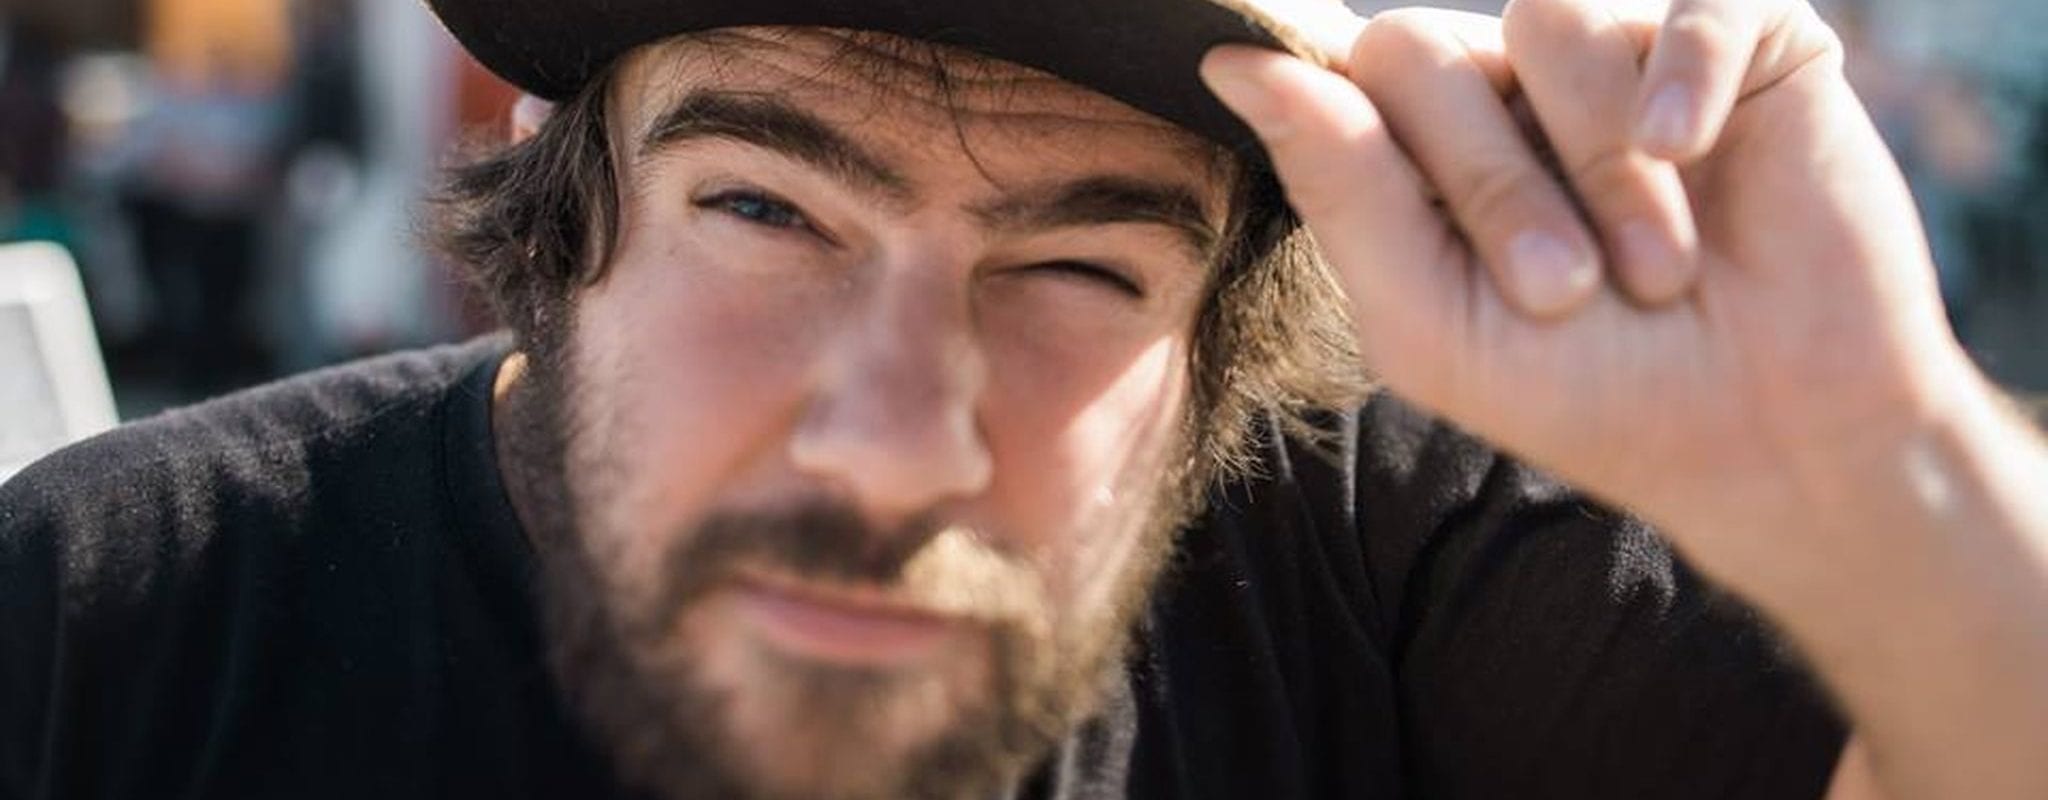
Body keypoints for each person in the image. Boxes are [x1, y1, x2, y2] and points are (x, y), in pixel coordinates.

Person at [2, 0, 2044, 799]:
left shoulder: (1386, 578)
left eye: (1080, 268)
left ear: (1229, 337)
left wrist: (1877, 461)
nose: (899, 436)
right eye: (766, 208)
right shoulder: (106, 623)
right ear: (562, 204)